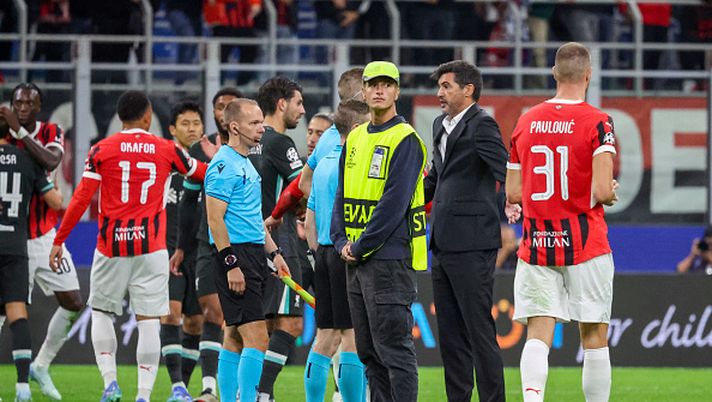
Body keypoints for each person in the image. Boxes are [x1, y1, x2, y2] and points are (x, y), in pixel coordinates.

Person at [49, 91, 207, 402]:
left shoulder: (101, 149)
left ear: (121, 118)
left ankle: (110, 383)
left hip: (111, 248)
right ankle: (144, 395)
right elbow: (202, 173)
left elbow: (81, 197)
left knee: (102, 313)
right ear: (148, 117)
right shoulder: (166, 149)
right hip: (151, 249)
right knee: (148, 320)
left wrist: (59, 239)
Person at [505, 42, 619, 402]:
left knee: (538, 334)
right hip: (586, 243)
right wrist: (610, 193)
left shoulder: (526, 119)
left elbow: (512, 192)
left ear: (554, 73)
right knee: (594, 335)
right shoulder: (599, 122)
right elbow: (602, 190)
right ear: (589, 75)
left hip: (538, 244)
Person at [331, 61, 427, 402]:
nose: (380, 90)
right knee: (369, 352)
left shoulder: (406, 139)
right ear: (365, 91)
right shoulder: (355, 136)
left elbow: (394, 204)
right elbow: (342, 193)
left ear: (397, 91)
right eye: (373, 84)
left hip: (388, 257)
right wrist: (340, 239)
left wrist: (360, 246)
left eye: (387, 85)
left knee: (395, 351)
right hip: (355, 258)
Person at [423, 60, 510, 402]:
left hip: (474, 242)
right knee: (451, 334)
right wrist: (404, 202)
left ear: (468, 89)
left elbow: (504, 168)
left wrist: (515, 202)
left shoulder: (483, 125)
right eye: (439, 86)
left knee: (478, 331)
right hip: (443, 241)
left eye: (446, 86)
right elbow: (436, 179)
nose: (439, 93)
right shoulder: (439, 125)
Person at [0, 83, 83, 401]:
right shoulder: (3, 133)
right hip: (10, 239)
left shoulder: (51, 130)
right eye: (17, 102)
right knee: (4, 312)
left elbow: (50, 161)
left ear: (39, 107)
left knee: (74, 301)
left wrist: (19, 131)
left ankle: (41, 364)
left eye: (29, 103)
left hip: (44, 237)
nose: (22, 107)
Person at [204, 97, 290, 402]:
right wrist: (231, 264)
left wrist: (274, 253)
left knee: (235, 337)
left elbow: (254, 218)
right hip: (237, 255)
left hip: (254, 254)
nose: (262, 128)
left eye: (261, 122)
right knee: (257, 338)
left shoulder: (247, 162)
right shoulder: (224, 164)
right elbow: (215, 219)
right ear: (234, 127)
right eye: (254, 123)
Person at [172, 87, 243, 402]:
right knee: (208, 314)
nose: (224, 110)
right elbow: (188, 202)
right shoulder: (201, 151)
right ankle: (205, 388)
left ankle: (239, 387)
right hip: (206, 243)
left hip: (245, 244)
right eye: (219, 106)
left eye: (230, 105)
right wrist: (181, 247)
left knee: (239, 323)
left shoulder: (255, 147)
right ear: (215, 114)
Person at [303, 100, 369, 402]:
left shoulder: (323, 162)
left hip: (325, 255)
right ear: (356, 128)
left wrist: (319, 253)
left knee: (326, 335)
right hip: (348, 254)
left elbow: (310, 217)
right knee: (352, 336)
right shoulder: (353, 163)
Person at [0, 116, 63, 402]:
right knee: (17, 315)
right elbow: (56, 202)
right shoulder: (26, 159)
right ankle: (23, 386)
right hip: (16, 245)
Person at [252, 76, 306, 402]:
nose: (302, 110)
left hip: (249, 240)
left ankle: (249, 391)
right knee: (289, 326)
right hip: (279, 240)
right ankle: (263, 393)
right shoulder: (281, 144)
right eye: (298, 103)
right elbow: (301, 187)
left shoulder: (249, 142)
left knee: (262, 326)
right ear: (281, 103)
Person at [161, 101, 206, 402]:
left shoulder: (209, 161)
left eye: (196, 123)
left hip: (200, 251)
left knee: (195, 321)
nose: (191, 128)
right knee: (171, 315)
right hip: (166, 250)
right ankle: (176, 384)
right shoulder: (163, 160)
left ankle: (183, 389)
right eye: (185, 124)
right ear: (172, 129)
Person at [298, 67, 364, 198]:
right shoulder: (345, 137)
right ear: (362, 94)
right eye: (371, 87)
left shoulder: (326, 136)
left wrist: (320, 207)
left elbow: (303, 183)